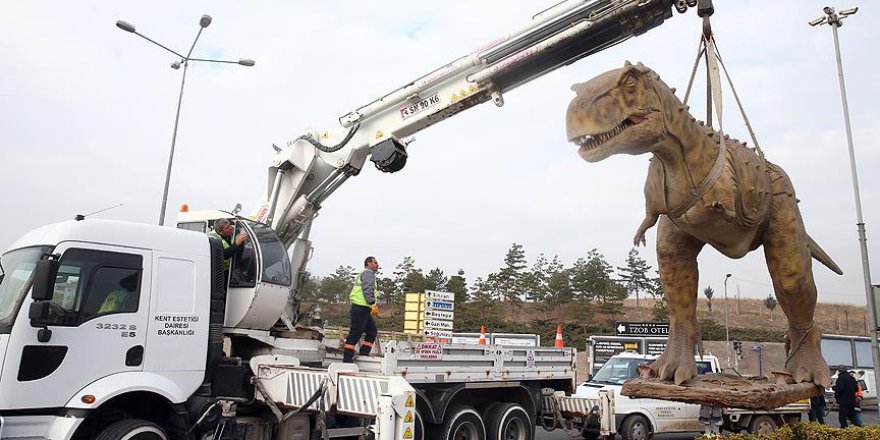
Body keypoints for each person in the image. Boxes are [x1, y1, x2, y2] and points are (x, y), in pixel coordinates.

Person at [343, 256, 380, 363]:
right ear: (368, 263)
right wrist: (372, 303)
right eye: (375, 263)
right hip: (361, 307)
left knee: (372, 332)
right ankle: (347, 360)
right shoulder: (368, 273)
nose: (377, 265)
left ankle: (363, 355)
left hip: (364, 309)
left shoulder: (366, 273)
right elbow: (368, 289)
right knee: (355, 333)